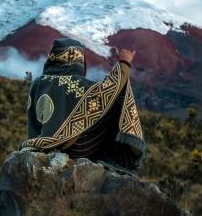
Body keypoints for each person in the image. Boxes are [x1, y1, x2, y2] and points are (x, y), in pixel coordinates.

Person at [19, 38, 145, 172]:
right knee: (112, 104)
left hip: (39, 147)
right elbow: (107, 92)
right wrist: (124, 64)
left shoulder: (37, 83)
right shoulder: (73, 83)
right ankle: (113, 158)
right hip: (73, 148)